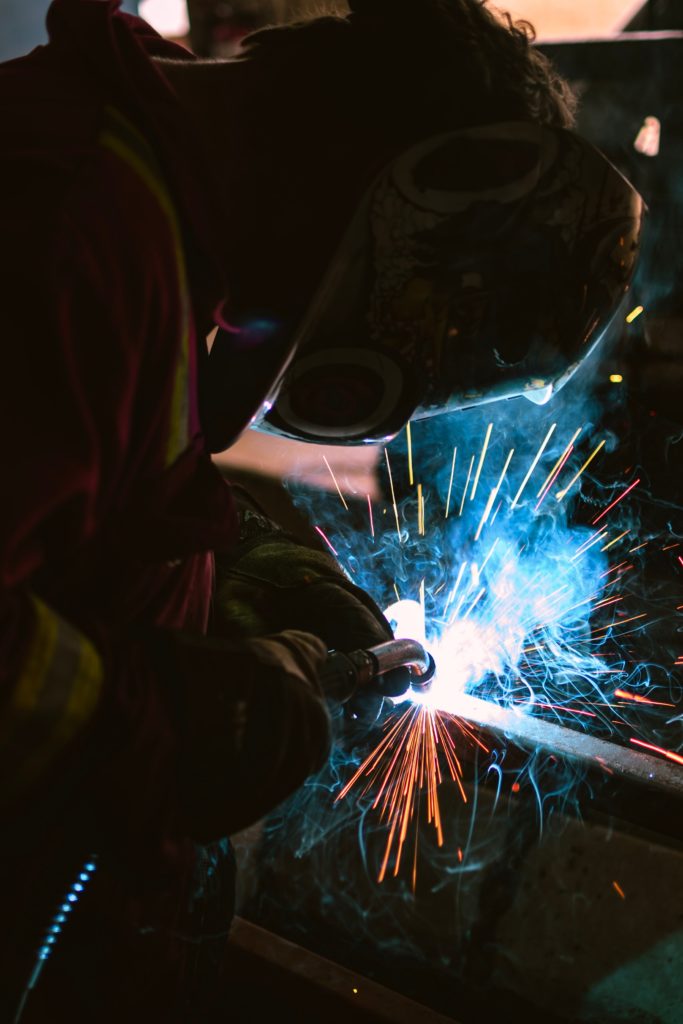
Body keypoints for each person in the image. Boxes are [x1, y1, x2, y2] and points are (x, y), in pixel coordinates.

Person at [0, 1, 642, 1020]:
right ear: (385, 186)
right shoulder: (69, 223)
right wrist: (163, 721)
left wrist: (253, 569)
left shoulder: (142, 214)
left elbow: (96, 497)